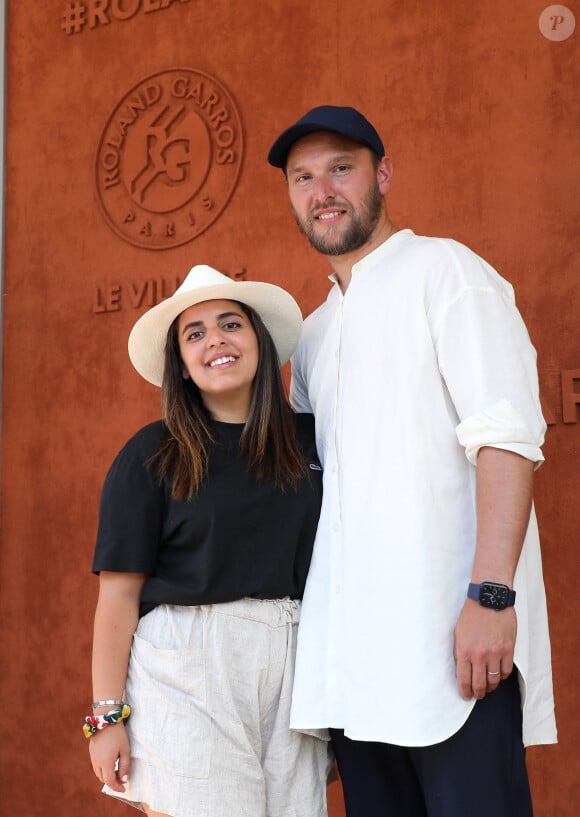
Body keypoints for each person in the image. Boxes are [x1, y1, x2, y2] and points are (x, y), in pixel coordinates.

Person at [267, 106, 557, 817]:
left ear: (382, 174)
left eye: (341, 168)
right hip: (358, 675)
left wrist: (491, 596)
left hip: (455, 657)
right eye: (303, 177)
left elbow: (507, 436)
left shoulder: (445, 272)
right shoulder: (312, 335)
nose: (322, 190)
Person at [86, 264, 330, 817]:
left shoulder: (309, 442)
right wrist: (106, 717)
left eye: (230, 324)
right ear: (182, 364)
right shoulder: (152, 454)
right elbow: (118, 599)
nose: (215, 340)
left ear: (260, 344)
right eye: (194, 334)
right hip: (187, 666)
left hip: (293, 661)